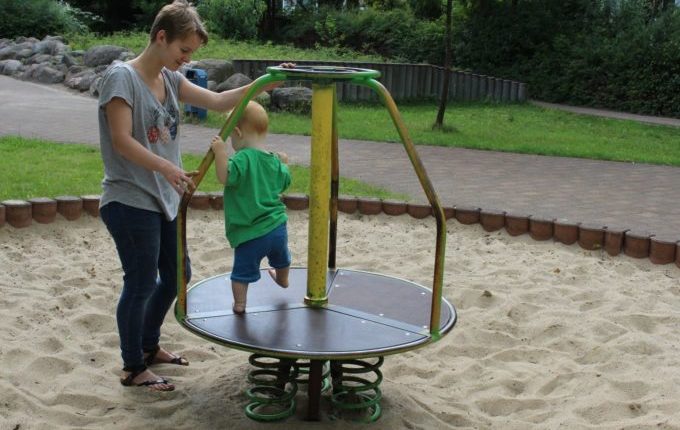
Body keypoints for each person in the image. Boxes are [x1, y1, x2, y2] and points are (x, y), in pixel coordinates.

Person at [97, 0, 287, 392]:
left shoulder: (169, 79)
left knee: (176, 276)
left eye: (192, 53)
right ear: (161, 37)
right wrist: (166, 167)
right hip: (129, 199)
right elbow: (120, 141)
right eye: (183, 50)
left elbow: (217, 101)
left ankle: (148, 347)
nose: (186, 59)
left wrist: (262, 84)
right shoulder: (122, 78)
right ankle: (133, 367)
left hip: (163, 199)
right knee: (141, 282)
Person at [210, 101, 291, 316]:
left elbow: (224, 177)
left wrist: (220, 153)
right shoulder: (273, 160)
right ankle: (283, 278)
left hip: (250, 233)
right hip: (277, 228)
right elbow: (284, 182)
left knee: (241, 272)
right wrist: (284, 163)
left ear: (237, 133)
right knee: (282, 258)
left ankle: (240, 303)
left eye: (231, 138)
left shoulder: (242, 158)